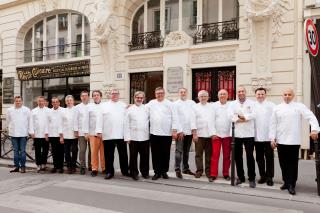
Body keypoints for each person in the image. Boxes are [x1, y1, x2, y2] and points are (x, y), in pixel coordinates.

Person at [270, 89, 319, 195]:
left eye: (289, 94)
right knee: (283, 163)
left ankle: (292, 184)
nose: (287, 96)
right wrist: (272, 139)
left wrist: (314, 129)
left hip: (294, 140)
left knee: (292, 164)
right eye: (285, 94)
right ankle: (286, 182)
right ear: (282, 95)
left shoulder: (299, 106)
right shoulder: (277, 108)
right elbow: (273, 124)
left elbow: (311, 116)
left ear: (293, 96)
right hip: (281, 140)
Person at [147, 87, 179, 180]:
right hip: (154, 132)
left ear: (164, 94)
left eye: (161, 93)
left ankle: (164, 171)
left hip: (167, 133)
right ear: (155, 94)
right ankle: (157, 172)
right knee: (155, 153)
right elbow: (142, 109)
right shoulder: (151, 103)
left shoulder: (170, 104)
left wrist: (174, 130)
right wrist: (131, 105)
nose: (159, 95)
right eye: (158, 93)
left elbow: (175, 117)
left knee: (165, 153)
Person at [96, 89, 129, 179]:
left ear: (119, 95)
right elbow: (99, 119)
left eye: (116, 94)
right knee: (108, 155)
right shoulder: (104, 105)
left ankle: (125, 171)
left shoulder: (124, 105)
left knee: (123, 154)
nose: (114, 95)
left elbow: (128, 118)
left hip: (121, 134)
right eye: (112, 94)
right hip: (108, 134)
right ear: (109, 95)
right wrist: (99, 131)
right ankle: (109, 172)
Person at [228, 86, 256, 188]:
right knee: (237, 157)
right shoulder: (232, 104)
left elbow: (254, 114)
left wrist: (244, 116)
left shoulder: (252, 103)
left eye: (242, 91)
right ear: (237, 93)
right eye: (239, 91)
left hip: (248, 134)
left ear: (245, 92)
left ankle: (252, 178)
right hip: (236, 134)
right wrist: (243, 118)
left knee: (249, 156)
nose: (241, 93)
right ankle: (240, 177)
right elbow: (230, 116)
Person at [124, 91, 150, 180]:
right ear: (134, 98)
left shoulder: (147, 108)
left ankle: (145, 172)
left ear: (143, 99)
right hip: (133, 137)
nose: (139, 99)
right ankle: (134, 173)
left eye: (141, 98)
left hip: (145, 137)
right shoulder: (129, 109)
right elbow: (126, 124)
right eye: (137, 97)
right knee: (133, 157)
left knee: (145, 157)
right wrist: (127, 137)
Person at [253, 87, 275, 186]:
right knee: (259, 158)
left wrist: (274, 137)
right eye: (258, 94)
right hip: (257, 137)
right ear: (256, 95)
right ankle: (263, 176)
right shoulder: (252, 106)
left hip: (268, 137)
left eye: (262, 94)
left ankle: (270, 177)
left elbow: (275, 121)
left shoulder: (271, 106)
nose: (260, 96)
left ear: (265, 95)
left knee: (269, 158)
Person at [174, 88, 197, 179]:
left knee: (186, 151)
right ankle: (177, 169)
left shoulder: (191, 103)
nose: (183, 93)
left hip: (189, 131)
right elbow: (175, 118)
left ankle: (185, 168)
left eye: (184, 92)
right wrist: (179, 131)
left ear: (187, 93)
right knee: (179, 151)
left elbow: (194, 116)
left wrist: (193, 130)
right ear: (178, 93)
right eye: (181, 92)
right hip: (181, 132)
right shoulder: (175, 104)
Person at [209, 89, 232, 181]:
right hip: (216, 134)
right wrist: (212, 133)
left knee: (227, 155)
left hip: (227, 135)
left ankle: (226, 173)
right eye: (221, 94)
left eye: (224, 94)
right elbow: (210, 120)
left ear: (227, 95)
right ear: (218, 96)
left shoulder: (231, 105)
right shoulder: (213, 106)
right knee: (215, 155)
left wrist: (231, 133)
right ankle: (213, 174)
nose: (222, 95)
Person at [6, 96, 31, 173]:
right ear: (14, 101)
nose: (18, 102)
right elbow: (8, 121)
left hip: (23, 134)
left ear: (22, 101)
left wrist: (30, 132)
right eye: (16, 101)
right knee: (15, 151)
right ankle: (17, 166)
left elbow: (29, 121)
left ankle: (23, 167)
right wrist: (8, 130)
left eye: (19, 101)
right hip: (13, 134)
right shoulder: (9, 110)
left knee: (23, 151)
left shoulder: (26, 110)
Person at [84, 90, 105, 177]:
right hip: (92, 133)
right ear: (92, 97)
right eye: (94, 95)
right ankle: (94, 169)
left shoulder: (105, 106)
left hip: (104, 134)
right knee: (93, 152)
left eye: (98, 95)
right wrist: (86, 132)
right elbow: (85, 120)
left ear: (101, 96)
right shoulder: (89, 106)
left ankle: (104, 168)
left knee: (103, 153)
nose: (96, 96)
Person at [193, 90, 214, 180]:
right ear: (198, 97)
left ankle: (208, 171)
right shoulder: (195, 107)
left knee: (209, 155)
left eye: (205, 96)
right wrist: (194, 133)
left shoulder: (212, 107)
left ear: (208, 97)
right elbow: (192, 120)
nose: (203, 97)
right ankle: (199, 171)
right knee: (198, 154)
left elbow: (214, 120)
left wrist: (214, 133)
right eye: (201, 96)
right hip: (199, 134)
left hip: (209, 134)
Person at [29, 96, 49, 172]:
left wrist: (47, 133)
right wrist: (32, 132)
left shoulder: (48, 111)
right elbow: (31, 122)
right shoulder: (33, 111)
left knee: (45, 150)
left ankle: (43, 164)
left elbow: (49, 123)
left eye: (42, 101)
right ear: (37, 102)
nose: (41, 102)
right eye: (39, 101)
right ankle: (38, 164)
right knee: (37, 150)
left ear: (44, 102)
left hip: (45, 134)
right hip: (36, 134)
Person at [74, 90, 91, 175]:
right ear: (80, 97)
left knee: (91, 150)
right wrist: (76, 130)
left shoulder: (92, 106)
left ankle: (91, 165)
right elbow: (75, 120)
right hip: (81, 132)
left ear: (88, 97)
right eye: (82, 96)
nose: (84, 97)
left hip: (91, 132)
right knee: (82, 150)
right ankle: (82, 166)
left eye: (86, 95)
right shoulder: (77, 107)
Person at [47, 97, 64, 174]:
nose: (55, 103)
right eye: (53, 102)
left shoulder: (63, 110)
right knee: (54, 152)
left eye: (56, 102)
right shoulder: (49, 112)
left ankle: (60, 167)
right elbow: (47, 123)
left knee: (61, 151)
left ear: (59, 103)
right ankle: (55, 166)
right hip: (52, 134)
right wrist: (47, 133)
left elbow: (64, 123)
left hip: (61, 135)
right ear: (51, 103)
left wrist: (62, 135)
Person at [62, 95, 78, 174]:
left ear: (73, 101)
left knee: (74, 151)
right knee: (67, 152)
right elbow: (61, 123)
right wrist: (61, 136)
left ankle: (74, 166)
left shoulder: (76, 109)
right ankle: (69, 167)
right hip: (66, 134)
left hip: (74, 135)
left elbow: (78, 121)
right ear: (65, 102)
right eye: (67, 100)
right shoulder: (63, 111)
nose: (69, 102)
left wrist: (77, 131)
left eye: (70, 100)